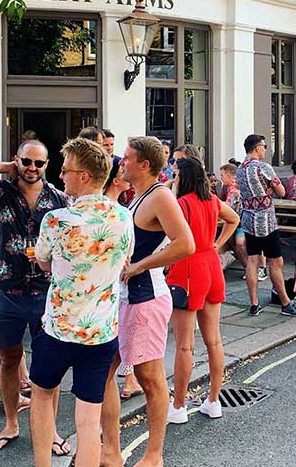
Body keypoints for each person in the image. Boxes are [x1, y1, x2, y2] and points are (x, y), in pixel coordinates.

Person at [0, 140, 71, 455]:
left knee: (49, 364)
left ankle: (49, 430)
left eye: (38, 163)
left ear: (47, 165)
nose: (32, 168)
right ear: (17, 161)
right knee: (8, 360)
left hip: (46, 294)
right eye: (26, 162)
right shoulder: (2, 193)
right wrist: (7, 168)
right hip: (7, 293)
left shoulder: (60, 200)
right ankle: (12, 422)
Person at [29, 138, 132, 467]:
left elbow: (43, 262)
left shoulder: (57, 220)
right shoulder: (123, 217)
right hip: (101, 332)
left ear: (84, 176)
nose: (61, 176)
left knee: (43, 397)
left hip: (58, 328)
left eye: (67, 169)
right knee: (88, 421)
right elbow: (125, 260)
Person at [100, 136, 195, 467]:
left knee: (150, 377)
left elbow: (186, 244)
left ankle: (154, 455)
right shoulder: (137, 197)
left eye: (126, 158)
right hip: (124, 298)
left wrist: (141, 265)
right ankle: (110, 450)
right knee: (102, 372)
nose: (120, 163)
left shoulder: (160, 197)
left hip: (146, 298)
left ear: (144, 165)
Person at [166, 156, 238, 424]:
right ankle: (214, 400)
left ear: (183, 178)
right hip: (211, 265)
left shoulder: (181, 204)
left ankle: (179, 406)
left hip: (187, 269)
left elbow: (170, 238)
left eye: (175, 175)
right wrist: (217, 244)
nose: (173, 179)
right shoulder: (211, 200)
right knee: (214, 340)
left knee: (185, 345)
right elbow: (233, 218)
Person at [236, 134, 296, 317]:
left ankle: (254, 303)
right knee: (276, 261)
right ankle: (286, 303)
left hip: (248, 220)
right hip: (266, 221)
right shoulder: (263, 167)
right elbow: (281, 191)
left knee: (252, 260)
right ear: (257, 148)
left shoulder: (239, 169)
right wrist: (268, 190)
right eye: (265, 146)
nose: (266, 149)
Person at [103, 157, 144, 400]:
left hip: (113, 286)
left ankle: (129, 378)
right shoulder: (119, 213)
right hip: (115, 286)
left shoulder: (121, 209)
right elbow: (127, 256)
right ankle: (129, 380)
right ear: (116, 180)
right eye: (123, 170)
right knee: (125, 334)